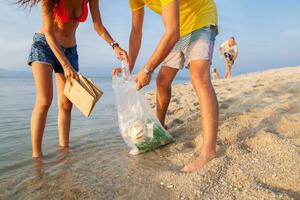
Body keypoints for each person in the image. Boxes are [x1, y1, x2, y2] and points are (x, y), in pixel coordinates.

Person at [113, 0, 219, 172]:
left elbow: (171, 32)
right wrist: (129, 67)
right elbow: (136, 32)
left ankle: (209, 151)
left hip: (200, 19)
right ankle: (159, 129)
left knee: (198, 77)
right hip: (179, 30)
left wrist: (147, 69)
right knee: (162, 81)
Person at [17, 0, 128, 158]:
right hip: (44, 46)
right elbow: (48, 32)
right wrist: (65, 64)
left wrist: (114, 45)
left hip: (70, 50)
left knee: (66, 104)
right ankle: (37, 156)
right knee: (44, 101)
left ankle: (64, 151)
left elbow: (97, 25)